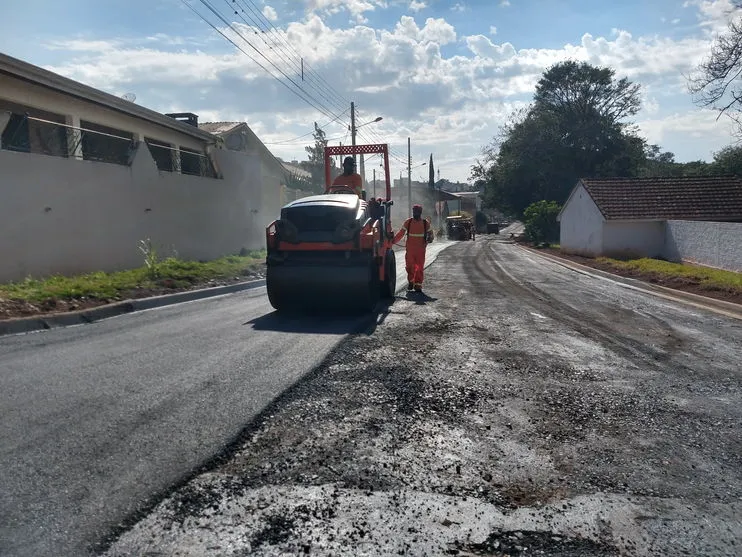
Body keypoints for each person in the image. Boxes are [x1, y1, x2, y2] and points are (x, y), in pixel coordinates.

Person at [393, 204, 432, 292]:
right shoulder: (408, 222)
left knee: (419, 267)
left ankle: (418, 284)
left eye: (417, 212)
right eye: (414, 211)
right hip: (410, 250)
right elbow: (401, 233)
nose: (415, 213)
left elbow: (431, 235)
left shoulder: (426, 223)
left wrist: (430, 238)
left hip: (421, 250)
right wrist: (393, 241)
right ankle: (411, 281)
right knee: (409, 266)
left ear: (420, 212)